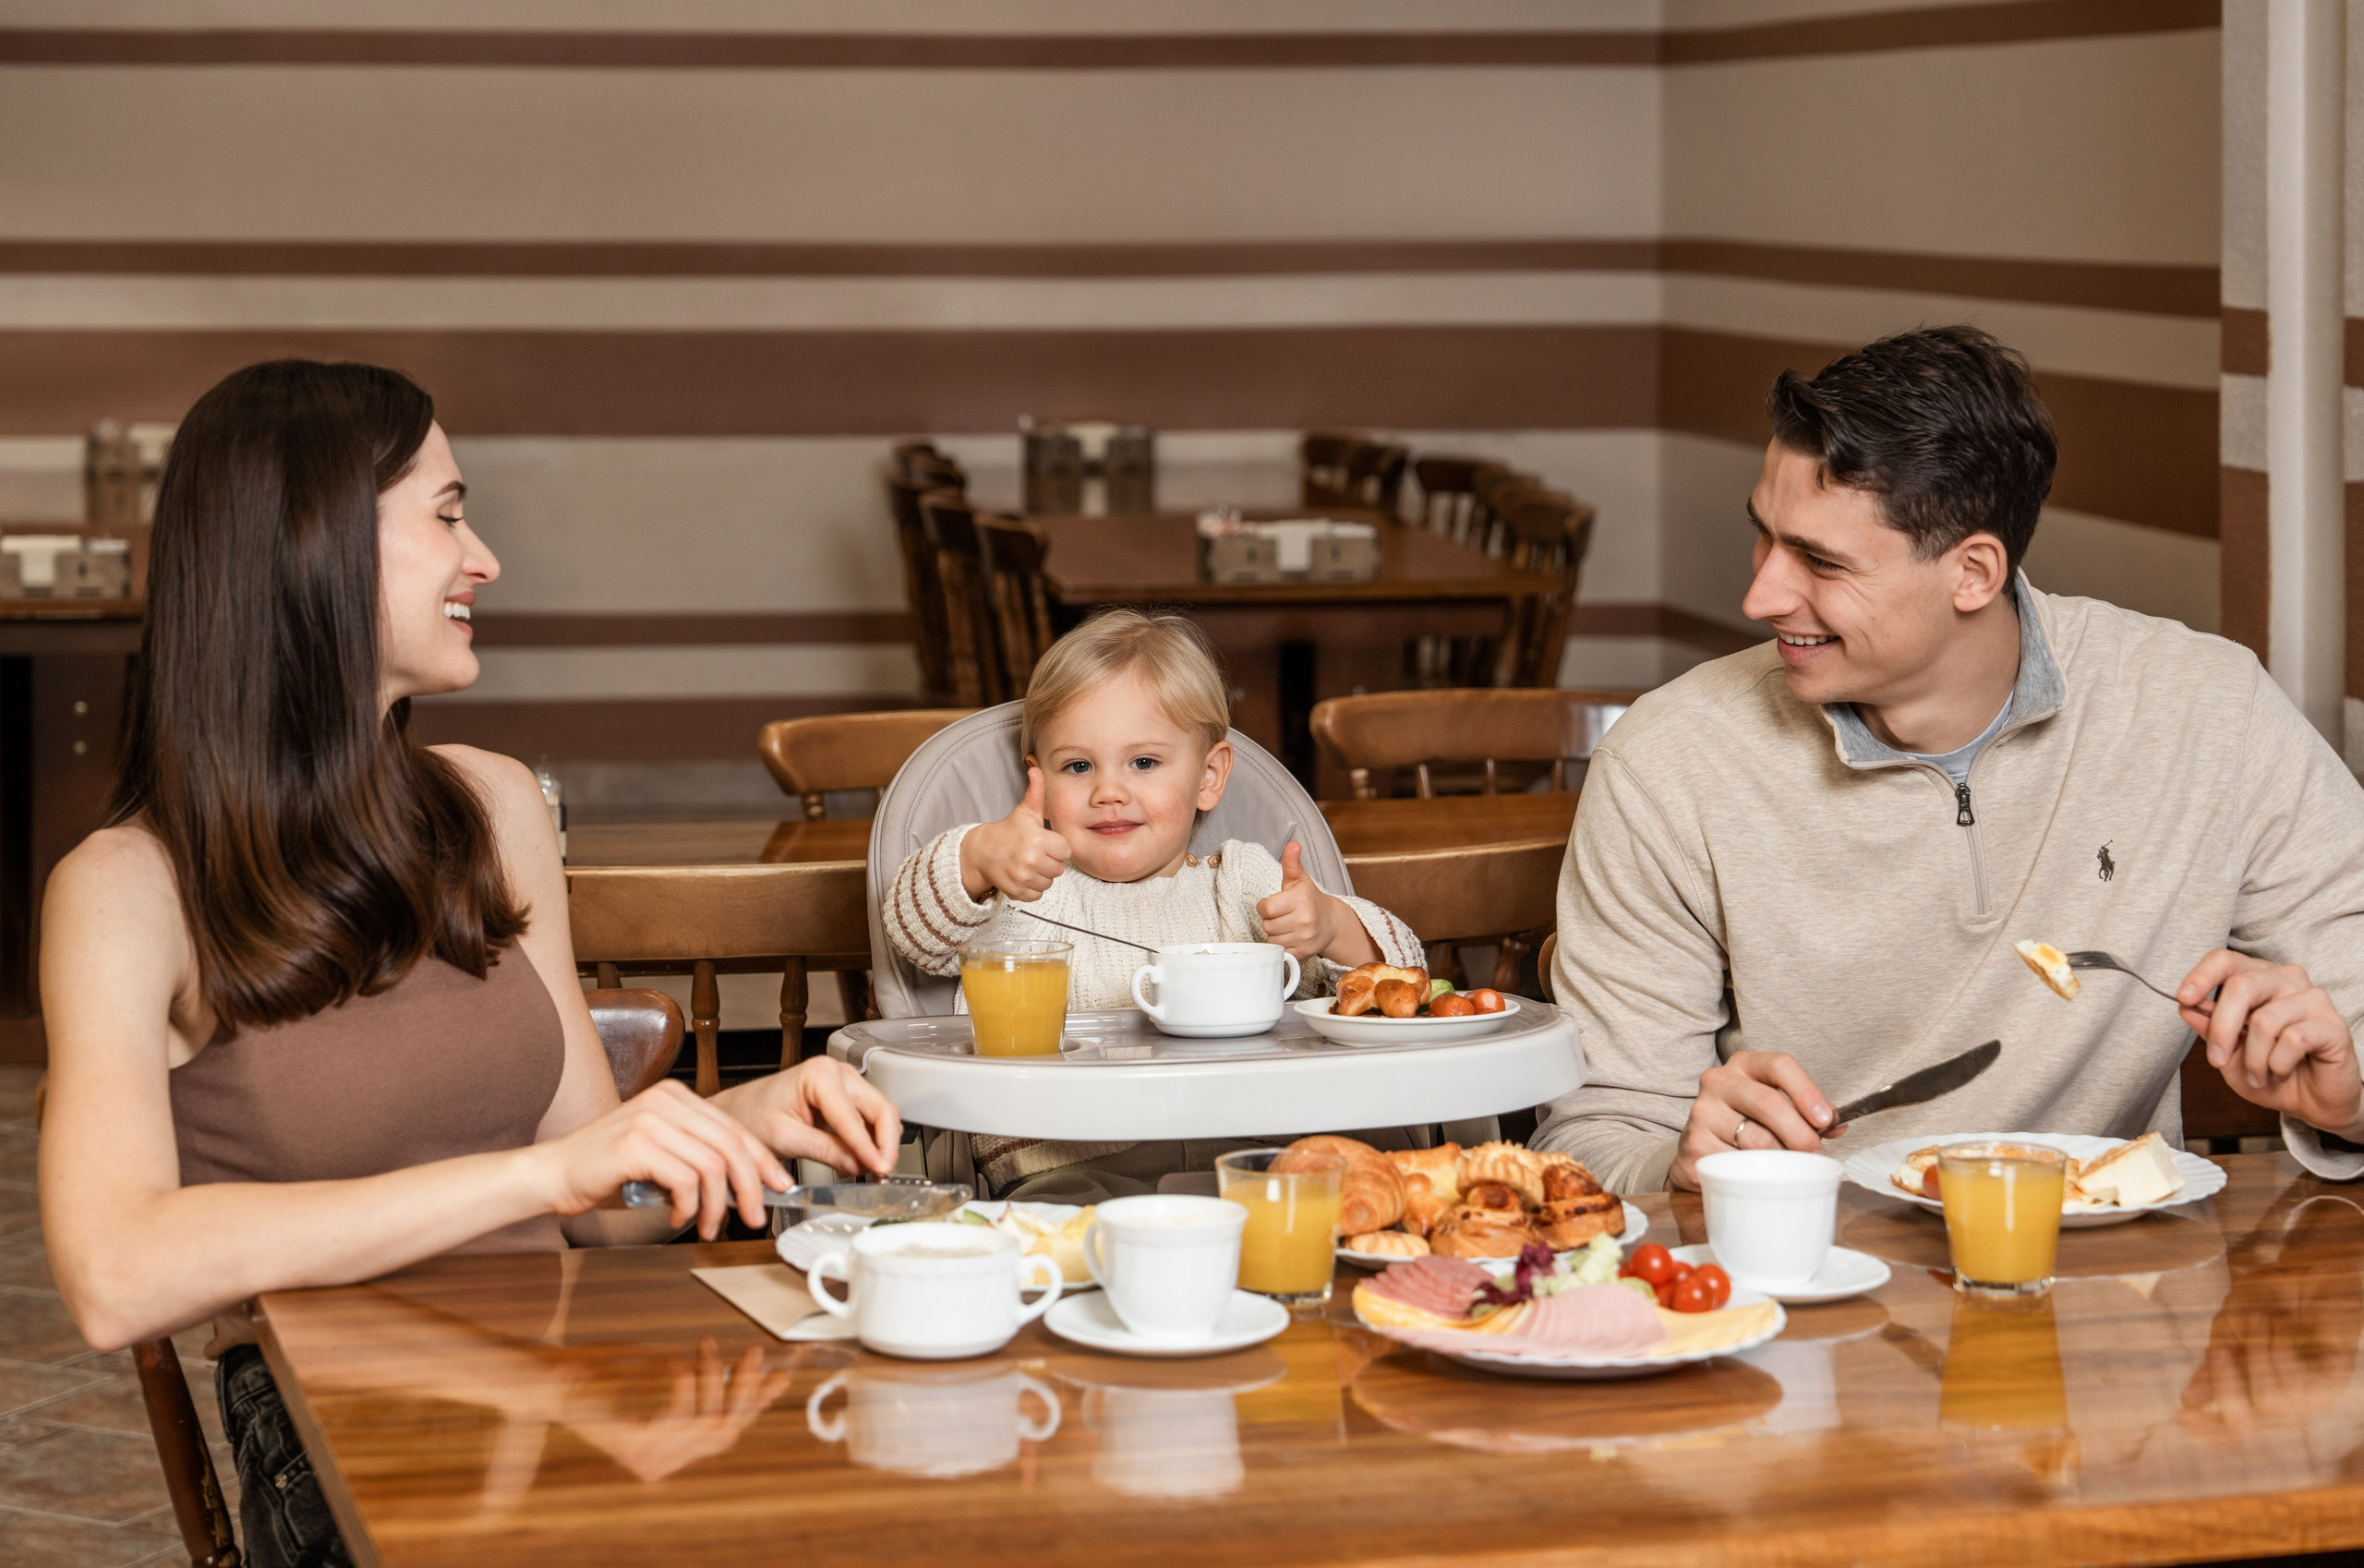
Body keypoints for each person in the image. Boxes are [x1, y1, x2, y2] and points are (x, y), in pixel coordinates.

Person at [37, 360, 901, 1568]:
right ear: (312, 546)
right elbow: (114, 1274)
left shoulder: (493, 807)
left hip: (571, 1378)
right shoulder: (128, 888)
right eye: (447, 514)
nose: (484, 556)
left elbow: (597, 1214)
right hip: (337, 1420)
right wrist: (540, 1176)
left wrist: (735, 1124)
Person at [1533, 326, 2364, 1193]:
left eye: (1820, 560)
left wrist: (2346, 1105)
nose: (1761, 595)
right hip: (1808, 1294)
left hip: (2113, 1294)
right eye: (1766, 537)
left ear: (1973, 573)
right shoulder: (1669, 765)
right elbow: (1595, 1133)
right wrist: (1679, 1167)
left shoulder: (2208, 711)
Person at [883, 608, 1427, 1199]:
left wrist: (1330, 926)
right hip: (1068, 1162)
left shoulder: (1242, 882)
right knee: (1059, 1226)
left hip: (1258, 1152)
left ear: (1209, 777)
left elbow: (1400, 980)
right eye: (1078, 766)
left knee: (1368, 1180)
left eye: (1144, 762)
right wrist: (979, 856)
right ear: (1037, 781)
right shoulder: (1018, 892)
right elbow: (912, 935)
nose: (1109, 791)